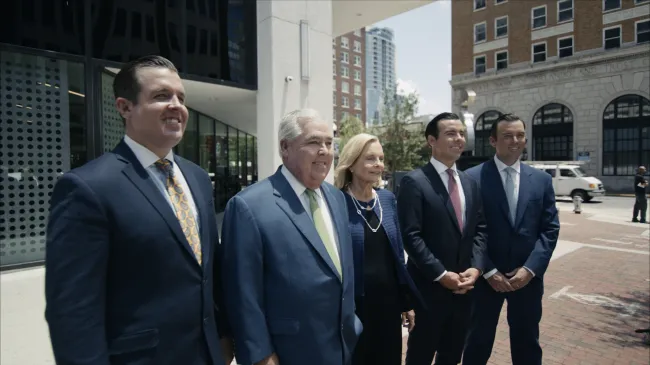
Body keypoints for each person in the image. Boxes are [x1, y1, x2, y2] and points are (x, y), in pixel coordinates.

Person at [44, 55, 233, 365]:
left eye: (180, 97)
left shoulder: (197, 178)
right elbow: (72, 311)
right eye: (161, 96)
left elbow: (209, 273)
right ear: (124, 107)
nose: (176, 105)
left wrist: (224, 338)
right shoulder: (87, 188)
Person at [220, 109, 362, 365]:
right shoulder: (248, 206)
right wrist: (260, 355)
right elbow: (242, 293)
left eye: (329, 143)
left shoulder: (337, 198)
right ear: (285, 147)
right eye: (313, 142)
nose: (325, 151)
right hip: (288, 353)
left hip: (341, 348)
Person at [462, 113, 560, 365]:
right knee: (477, 341)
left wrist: (530, 270)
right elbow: (468, 231)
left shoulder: (542, 180)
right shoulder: (472, 178)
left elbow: (550, 229)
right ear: (493, 141)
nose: (514, 141)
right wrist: (488, 270)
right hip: (485, 279)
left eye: (519, 135)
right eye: (507, 136)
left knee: (527, 341)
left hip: (526, 279)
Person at [397, 112, 488, 365]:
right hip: (428, 292)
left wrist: (476, 267)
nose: (459, 138)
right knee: (420, 356)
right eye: (450, 133)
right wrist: (441, 274)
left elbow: (480, 229)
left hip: (464, 291)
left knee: (451, 355)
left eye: (461, 133)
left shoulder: (470, 183)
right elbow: (411, 236)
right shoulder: (414, 182)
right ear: (431, 140)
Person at [334, 133, 422, 365]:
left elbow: (397, 257)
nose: (379, 164)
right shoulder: (336, 202)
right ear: (351, 163)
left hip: (389, 305)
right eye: (370, 158)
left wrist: (406, 302)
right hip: (354, 307)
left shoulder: (388, 199)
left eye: (381, 158)